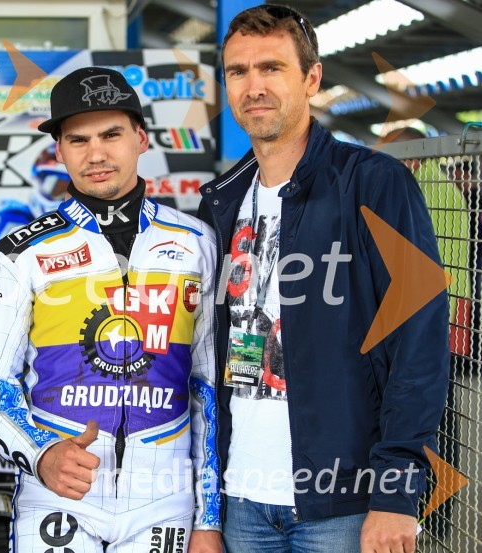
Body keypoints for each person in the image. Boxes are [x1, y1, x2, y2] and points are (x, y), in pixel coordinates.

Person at [198, 5, 449, 553]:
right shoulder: (219, 204)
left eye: (272, 68)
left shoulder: (375, 185)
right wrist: (208, 506)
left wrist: (396, 491)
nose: (253, 86)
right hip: (242, 500)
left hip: (345, 503)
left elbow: (419, 343)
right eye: (238, 72)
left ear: (311, 78)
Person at [0, 66, 222, 552]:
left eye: (111, 134)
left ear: (141, 138)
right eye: (78, 140)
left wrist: (208, 518)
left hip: (165, 502)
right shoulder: (20, 254)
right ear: (58, 150)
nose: (96, 153)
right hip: (57, 497)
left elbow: (207, 386)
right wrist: (41, 455)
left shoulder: (196, 243)